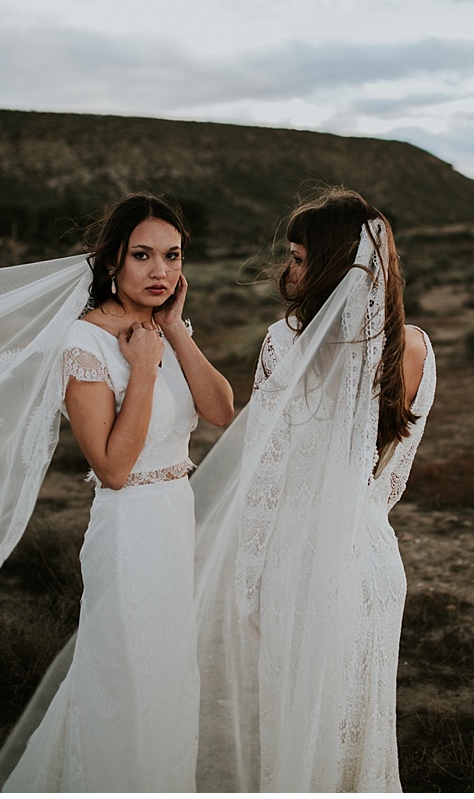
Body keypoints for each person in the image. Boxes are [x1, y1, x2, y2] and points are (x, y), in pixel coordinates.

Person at [0, 194, 235, 791]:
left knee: (165, 673)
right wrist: (140, 371)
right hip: (130, 525)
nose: (160, 271)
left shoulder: (162, 328)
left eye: (172, 256)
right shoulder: (84, 343)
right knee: (126, 675)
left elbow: (220, 409)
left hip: (174, 516)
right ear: (112, 261)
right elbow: (111, 467)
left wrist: (173, 334)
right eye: (143, 256)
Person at [191, 188, 433, 791]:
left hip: (301, 564)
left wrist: (248, 584)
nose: (287, 270)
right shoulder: (419, 350)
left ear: (331, 264)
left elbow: (265, 481)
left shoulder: (285, 344)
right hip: (374, 564)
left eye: (298, 256)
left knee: (298, 734)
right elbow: (388, 477)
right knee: (361, 732)